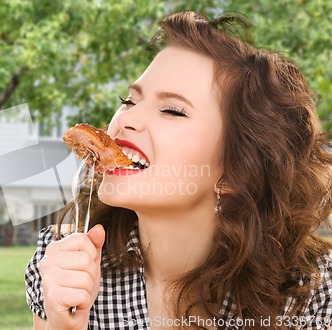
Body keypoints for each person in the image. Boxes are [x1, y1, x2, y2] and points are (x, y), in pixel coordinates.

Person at [25, 10, 332, 330]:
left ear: (236, 171)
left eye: (172, 110)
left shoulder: (312, 293)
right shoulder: (62, 264)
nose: (125, 119)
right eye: (129, 101)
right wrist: (64, 325)